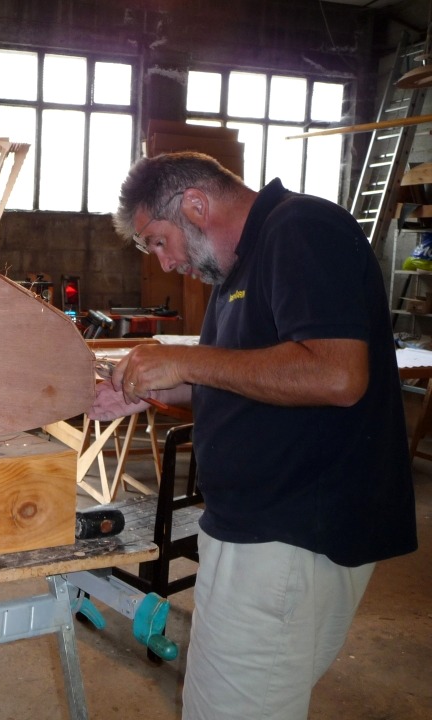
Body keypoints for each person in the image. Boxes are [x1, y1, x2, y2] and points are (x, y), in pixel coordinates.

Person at [91, 152, 417, 720]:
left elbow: (337, 374)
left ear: (196, 205)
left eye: (158, 241)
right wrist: (155, 388)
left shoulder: (302, 230)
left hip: (293, 534)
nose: (164, 264)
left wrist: (188, 361)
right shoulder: (236, 270)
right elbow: (244, 378)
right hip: (258, 530)